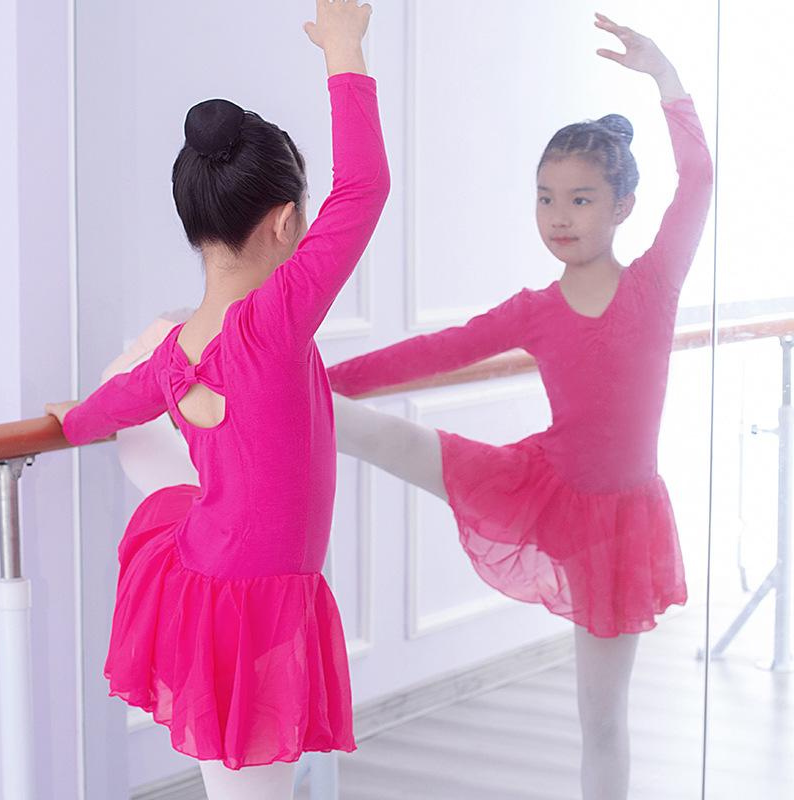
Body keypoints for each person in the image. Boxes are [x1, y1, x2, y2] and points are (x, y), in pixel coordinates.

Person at [328, 14, 712, 800]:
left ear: (623, 207)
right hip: (548, 489)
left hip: (622, 525)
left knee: (601, 717)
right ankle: (300, 394)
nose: (559, 217)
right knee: (401, 443)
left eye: (579, 199)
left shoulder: (654, 284)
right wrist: (334, 377)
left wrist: (665, 76)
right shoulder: (535, 310)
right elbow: (432, 353)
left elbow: (700, 178)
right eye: (545, 199)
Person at [45, 1, 389, 798]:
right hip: (256, 600)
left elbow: (117, 406)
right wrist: (344, 48)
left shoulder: (175, 356)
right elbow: (365, 188)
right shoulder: (272, 326)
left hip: (207, 583)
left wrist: (72, 421)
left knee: (239, 784)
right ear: (286, 223)